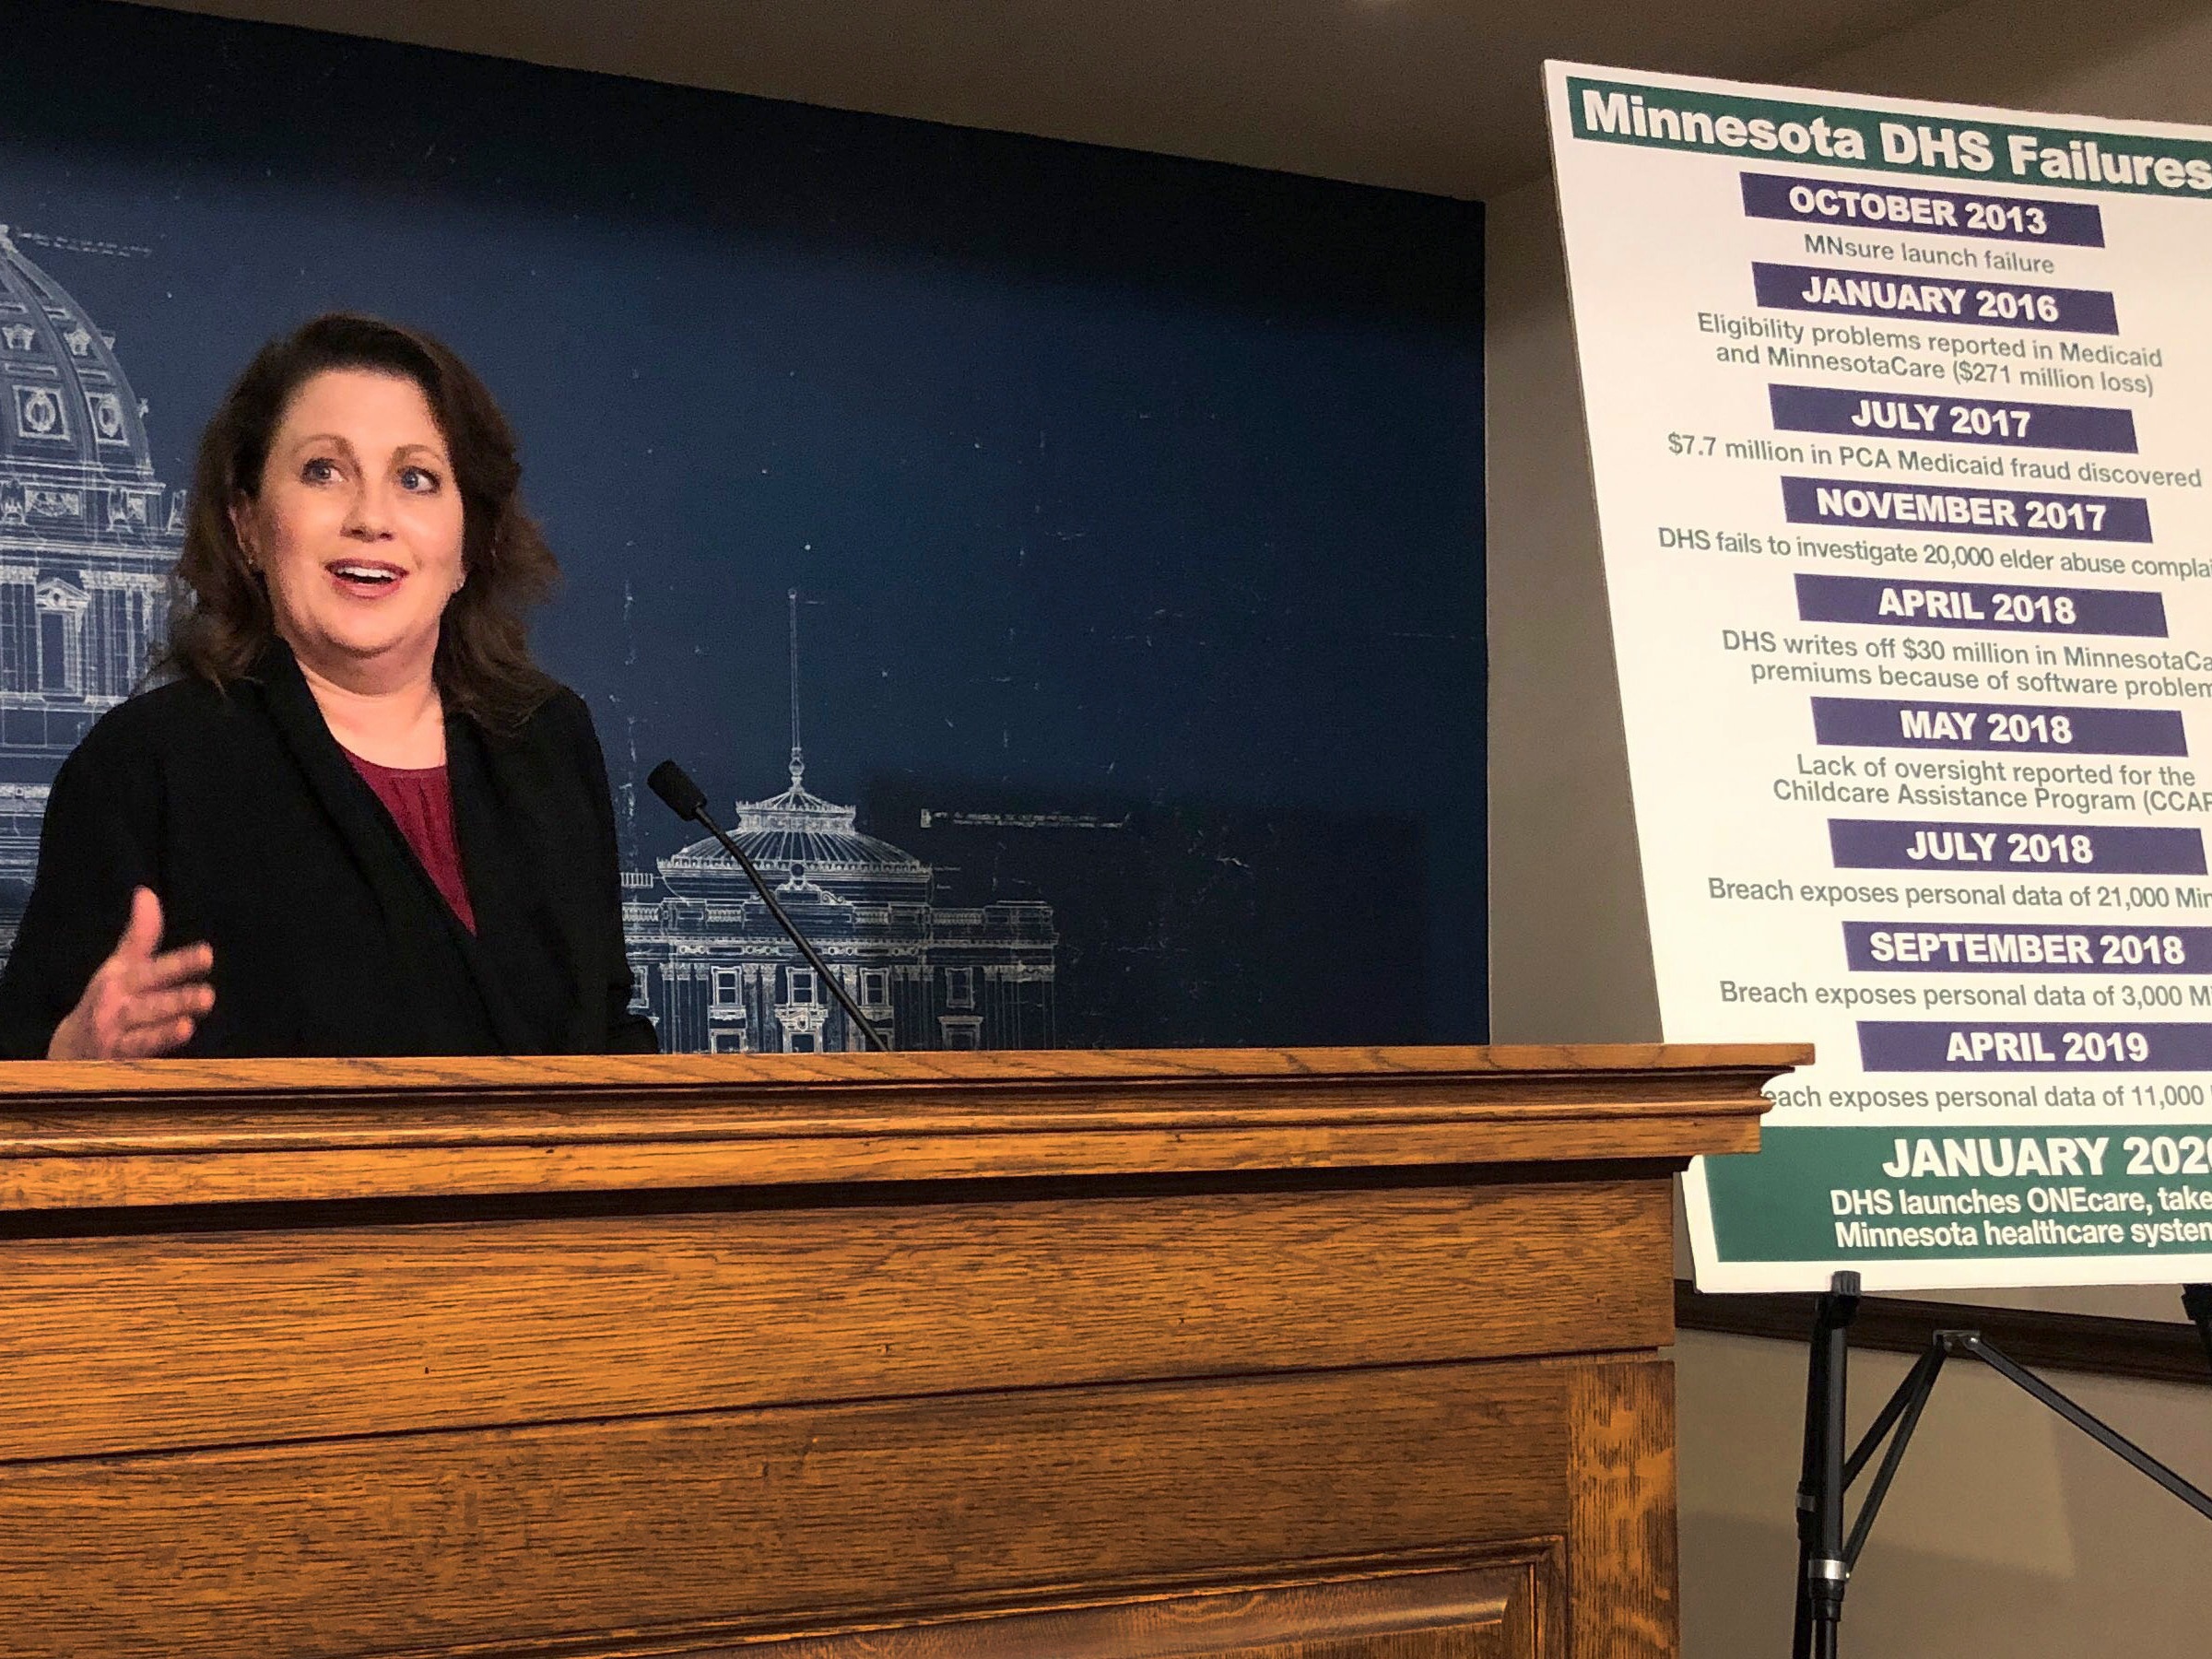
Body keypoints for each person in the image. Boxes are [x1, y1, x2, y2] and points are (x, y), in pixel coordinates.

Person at [0, 313, 657, 1057]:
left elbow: (607, 1034)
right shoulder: (149, 765)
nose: (371, 518)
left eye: (416, 478)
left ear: (471, 542)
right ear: (247, 523)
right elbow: (29, 1063)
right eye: (323, 471)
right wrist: (72, 1060)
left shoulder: (547, 740)